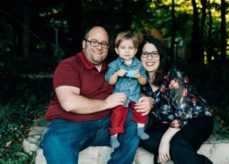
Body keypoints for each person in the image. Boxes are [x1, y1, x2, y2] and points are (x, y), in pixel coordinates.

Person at [41, 26, 153, 164]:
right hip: (71, 125)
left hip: (107, 125)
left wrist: (148, 99)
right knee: (54, 141)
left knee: (135, 118)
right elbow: (69, 103)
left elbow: (131, 88)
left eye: (104, 44)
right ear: (84, 44)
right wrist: (106, 103)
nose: (99, 47)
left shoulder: (113, 67)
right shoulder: (69, 66)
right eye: (94, 42)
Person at [139, 37, 214, 164]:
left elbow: (184, 114)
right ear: (139, 57)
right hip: (166, 123)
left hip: (195, 119)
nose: (149, 58)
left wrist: (164, 140)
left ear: (161, 57)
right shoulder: (141, 78)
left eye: (154, 54)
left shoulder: (174, 76)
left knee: (177, 144)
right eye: (145, 54)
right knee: (143, 138)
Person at [105, 31, 149, 149]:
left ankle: (140, 129)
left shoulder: (139, 65)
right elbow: (110, 80)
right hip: (121, 96)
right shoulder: (114, 65)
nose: (127, 51)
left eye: (131, 48)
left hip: (135, 94)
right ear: (117, 50)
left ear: (135, 50)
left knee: (142, 108)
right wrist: (117, 74)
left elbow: (144, 81)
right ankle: (114, 136)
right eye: (123, 47)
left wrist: (139, 76)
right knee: (117, 113)